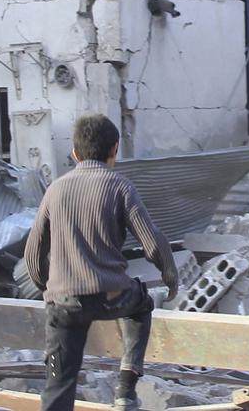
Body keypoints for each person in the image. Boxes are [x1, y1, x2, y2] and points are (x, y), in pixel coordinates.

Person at [26, 114, 178, 411]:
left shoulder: (55, 189)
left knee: (57, 380)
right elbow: (152, 242)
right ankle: (125, 388)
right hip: (113, 298)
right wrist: (169, 273)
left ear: (74, 153)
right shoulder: (120, 187)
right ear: (115, 149)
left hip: (63, 307)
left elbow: (33, 254)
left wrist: (49, 290)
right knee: (142, 303)